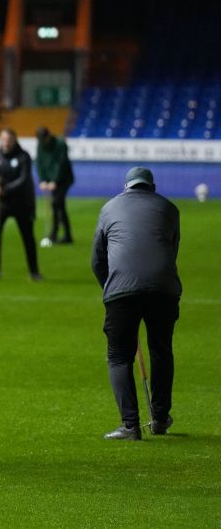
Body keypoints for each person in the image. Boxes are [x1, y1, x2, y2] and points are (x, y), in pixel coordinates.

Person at [91, 167, 181, 440]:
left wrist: (111, 290)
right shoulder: (170, 209)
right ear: (151, 186)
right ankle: (161, 418)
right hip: (164, 289)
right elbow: (171, 250)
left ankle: (130, 426)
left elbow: (97, 260)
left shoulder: (109, 208)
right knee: (161, 351)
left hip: (121, 290)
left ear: (126, 186)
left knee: (119, 356)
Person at [0, 128, 42, 280]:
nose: (6, 143)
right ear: (1, 140)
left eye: (9, 140)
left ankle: (34, 271)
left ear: (15, 140)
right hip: (2, 203)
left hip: (23, 203)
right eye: (4, 140)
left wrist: (4, 189)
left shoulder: (23, 156)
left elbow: (24, 179)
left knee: (28, 237)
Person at [35, 127, 75, 244]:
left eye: (44, 140)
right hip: (51, 180)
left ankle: (55, 233)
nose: (43, 143)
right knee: (58, 205)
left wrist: (54, 181)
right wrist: (42, 180)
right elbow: (39, 163)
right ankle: (65, 235)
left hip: (64, 179)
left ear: (48, 136)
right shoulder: (40, 145)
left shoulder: (60, 144)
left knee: (57, 203)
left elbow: (60, 163)